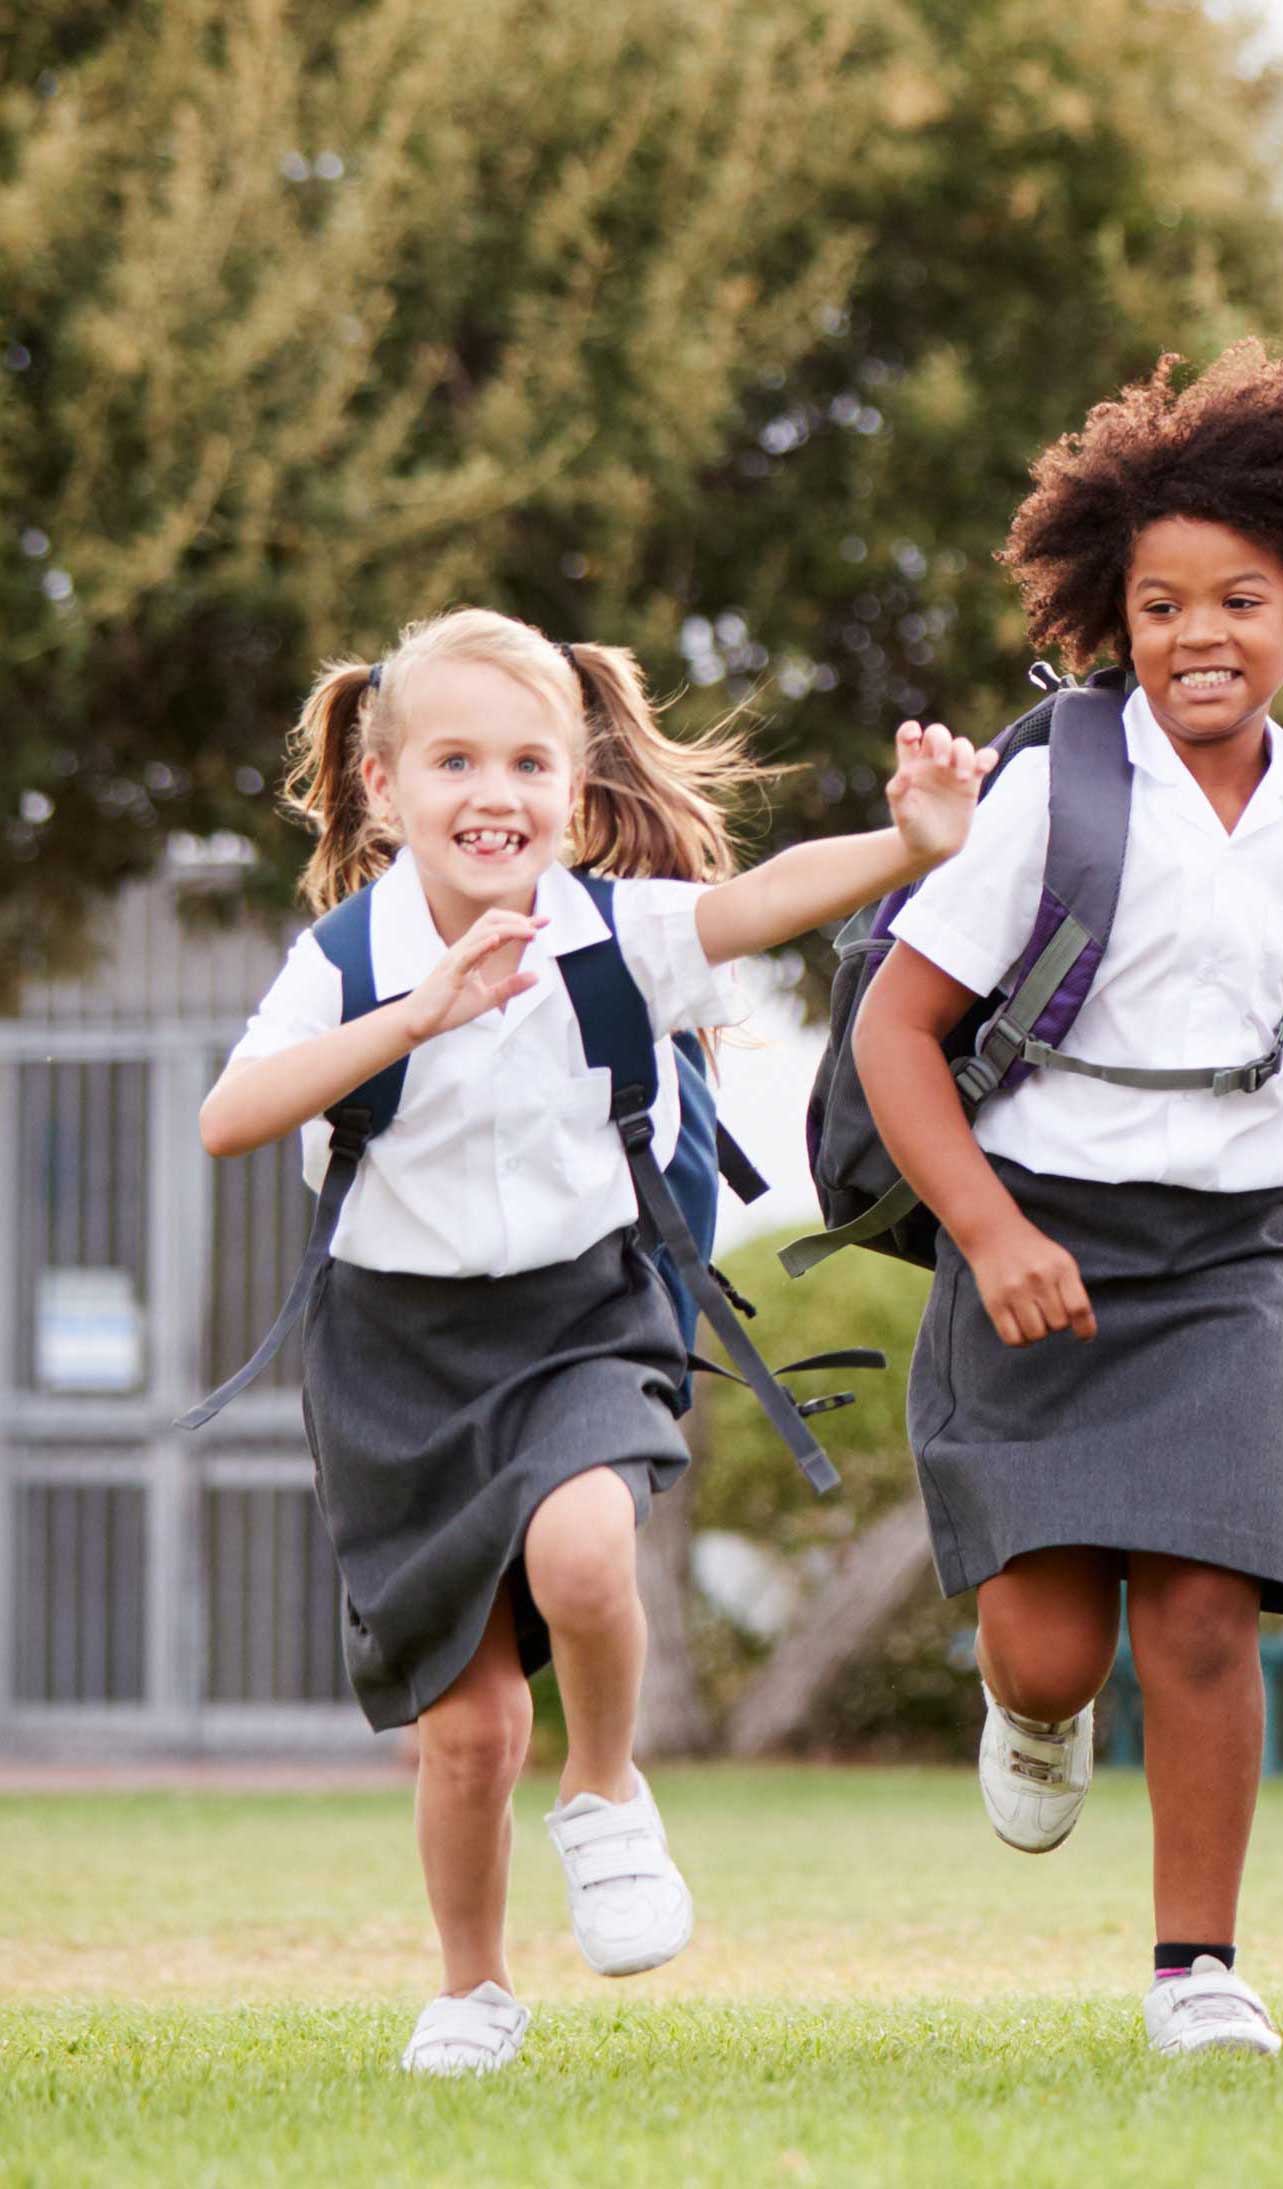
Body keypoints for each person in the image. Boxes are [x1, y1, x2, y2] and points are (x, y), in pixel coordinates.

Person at [855, 346, 1283, 2060]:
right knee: (1047, 1649)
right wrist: (992, 1232)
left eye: (1239, 600)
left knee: (1203, 1612)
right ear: (1117, 616)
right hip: (1036, 1237)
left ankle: (1197, 1968)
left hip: (1227, 1255)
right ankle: (1034, 1714)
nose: (1198, 635)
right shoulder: (1055, 790)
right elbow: (892, 1031)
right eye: (1160, 605)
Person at [200, 605, 988, 2073]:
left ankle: (608, 1787)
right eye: (452, 761)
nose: (490, 793)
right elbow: (229, 1117)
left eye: (527, 763)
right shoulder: (344, 961)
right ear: (383, 786)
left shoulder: (617, 935)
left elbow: (762, 901)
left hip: (583, 1313)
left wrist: (909, 844)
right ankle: (472, 1988)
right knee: (469, 1731)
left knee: (580, 1556)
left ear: (572, 790)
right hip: (395, 1357)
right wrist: (416, 1017)